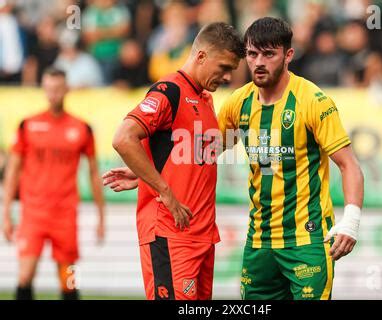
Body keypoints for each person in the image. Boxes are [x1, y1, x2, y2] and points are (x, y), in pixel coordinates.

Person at [218, 17, 364, 300]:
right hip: (259, 242)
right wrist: (147, 171)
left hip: (307, 241)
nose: (259, 62)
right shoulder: (238, 103)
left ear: (288, 55)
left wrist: (351, 222)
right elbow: (205, 152)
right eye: (252, 54)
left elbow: (349, 166)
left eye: (269, 54)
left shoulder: (313, 101)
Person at [106, 22, 244, 300]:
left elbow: (193, 153)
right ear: (202, 56)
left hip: (202, 235)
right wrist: (164, 190)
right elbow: (123, 138)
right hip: (171, 233)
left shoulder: (204, 98)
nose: (228, 77)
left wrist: (144, 173)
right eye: (224, 67)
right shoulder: (169, 91)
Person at [2, 67, 105, 300]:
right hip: (33, 212)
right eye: (49, 89)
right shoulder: (27, 125)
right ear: (44, 90)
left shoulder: (81, 128)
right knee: (25, 276)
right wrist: (6, 213)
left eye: (58, 89)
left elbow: (94, 174)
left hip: (65, 214)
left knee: (69, 280)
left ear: (66, 89)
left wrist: (101, 217)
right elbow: (13, 171)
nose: (53, 95)